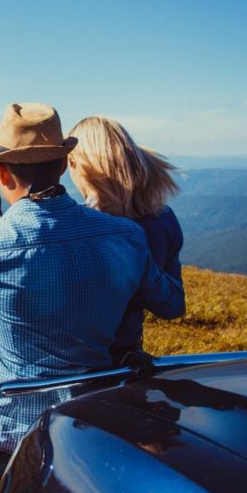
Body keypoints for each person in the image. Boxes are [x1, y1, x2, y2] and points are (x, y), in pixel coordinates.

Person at [0, 103, 185, 493]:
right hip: (87, 421)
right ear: (62, 165)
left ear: (0, 172)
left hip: (4, 429)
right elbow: (168, 301)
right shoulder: (126, 236)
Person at [66, 116, 183, 365]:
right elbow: (172, 305)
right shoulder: (163, 220)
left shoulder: (82, 226)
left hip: (77, 365)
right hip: (126, 359)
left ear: (76, 164)